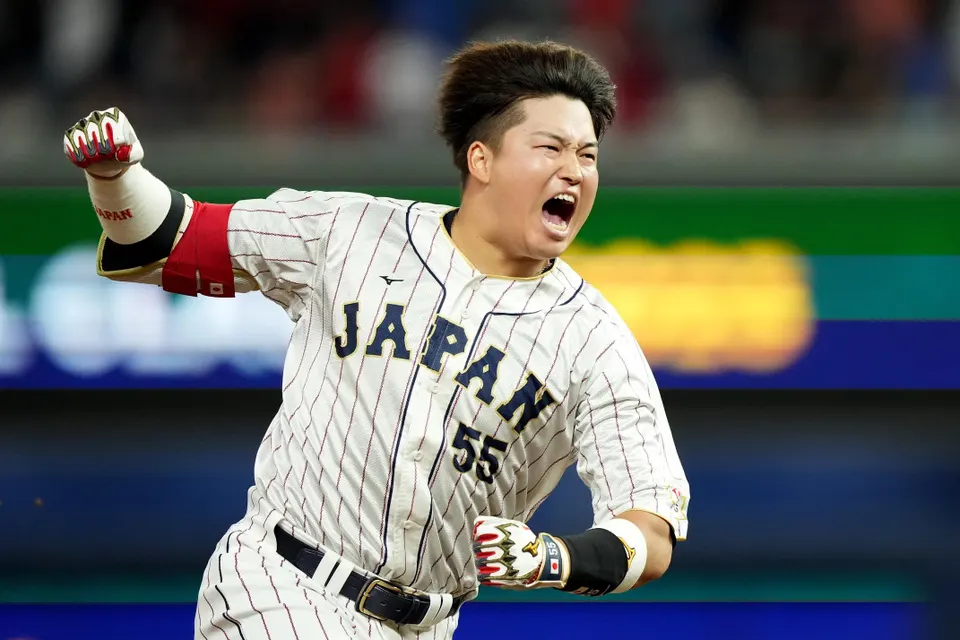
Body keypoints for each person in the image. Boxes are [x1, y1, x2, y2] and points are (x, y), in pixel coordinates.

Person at [63, 39, 690, 640]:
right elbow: (172, 241)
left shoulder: (594, 340)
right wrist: (116, 178)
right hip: (283, 584)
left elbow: (650, 529)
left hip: (425, 623)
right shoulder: (348, 231)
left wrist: (553, 557)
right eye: (550, 147)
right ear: (482, 159)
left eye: (588, 155)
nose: (574, 170)